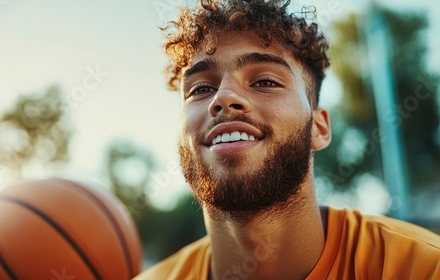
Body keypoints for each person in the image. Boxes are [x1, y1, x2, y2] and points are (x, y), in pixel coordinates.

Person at [134, 0, 440, 279]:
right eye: (200, 89)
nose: (224, 97)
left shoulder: (424, 267)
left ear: (319, 127)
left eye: (265, 81)